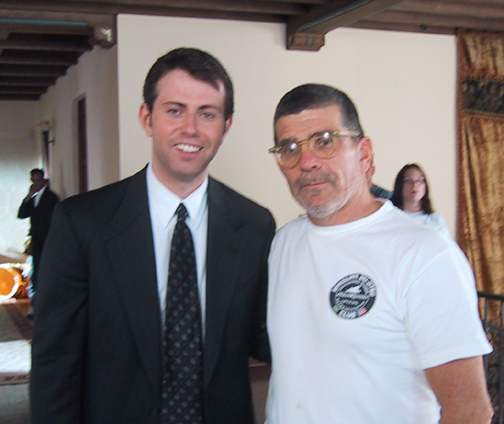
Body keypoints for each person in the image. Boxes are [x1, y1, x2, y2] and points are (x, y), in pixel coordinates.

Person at [30, 48, 275, 424]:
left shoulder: (255, 225)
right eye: (174, 110)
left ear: (225, 126)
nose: (190, 129)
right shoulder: (81, 223)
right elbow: (55, 361)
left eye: (207, 114)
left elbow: (268, 335)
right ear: (147, 118)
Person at [266, 83, 493, 423]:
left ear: (364, 152)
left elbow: (470, 410)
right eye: (290, 148)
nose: (307, 161)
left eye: (324, 141)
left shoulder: (424, 255)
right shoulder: (282, 244)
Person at [17, 168, 59, 293]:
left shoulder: (51, 197)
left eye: (39, 180)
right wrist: (29, 196)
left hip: (47, 236)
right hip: (36, 237)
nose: (36, 183)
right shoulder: (33, 199)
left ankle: (47, 291)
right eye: (34, 180)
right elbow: (22, 214)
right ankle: (37, 292)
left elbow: (54, 218)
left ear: (44, 180)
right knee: (36, 264)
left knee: (46, 264)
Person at [391, 163, 451, 238]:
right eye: (408, 180)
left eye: (419, 180)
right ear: (400, 185)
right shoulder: (391, 216)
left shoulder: (435, 219)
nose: (414, 184)